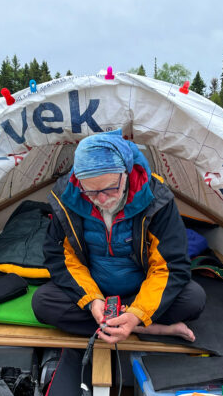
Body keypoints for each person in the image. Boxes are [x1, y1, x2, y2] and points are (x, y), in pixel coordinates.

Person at [32, 130, 205, 345]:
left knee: (193, 299)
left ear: (126, 172)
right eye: (91, 192)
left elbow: (171, 266)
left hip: (140, 290)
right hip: (95, 291)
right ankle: (152, 330)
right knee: (43, 303)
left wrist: (137, 313)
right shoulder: (67, 198)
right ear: (78, 182)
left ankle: (129, 324)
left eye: (110, 188)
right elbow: (60, 257)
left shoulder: (157, 199)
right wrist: (93, 301)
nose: (102, 199)